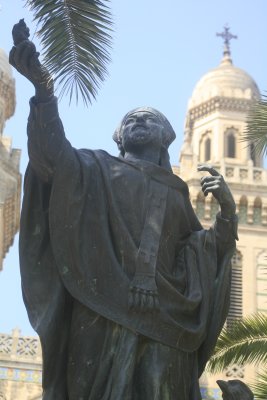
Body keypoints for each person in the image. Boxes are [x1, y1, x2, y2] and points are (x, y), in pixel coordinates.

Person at [10, 20, 238, 400]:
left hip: (166, 322)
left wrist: (228, 212)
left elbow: (203, 252)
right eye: (130, 118)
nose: (137, 119)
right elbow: (52, 158)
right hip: (99, 307)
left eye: (148, 117)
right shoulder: (93, 168)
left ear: (166, 138)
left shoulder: (179, 194)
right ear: (119, 137)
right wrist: (45, 93)